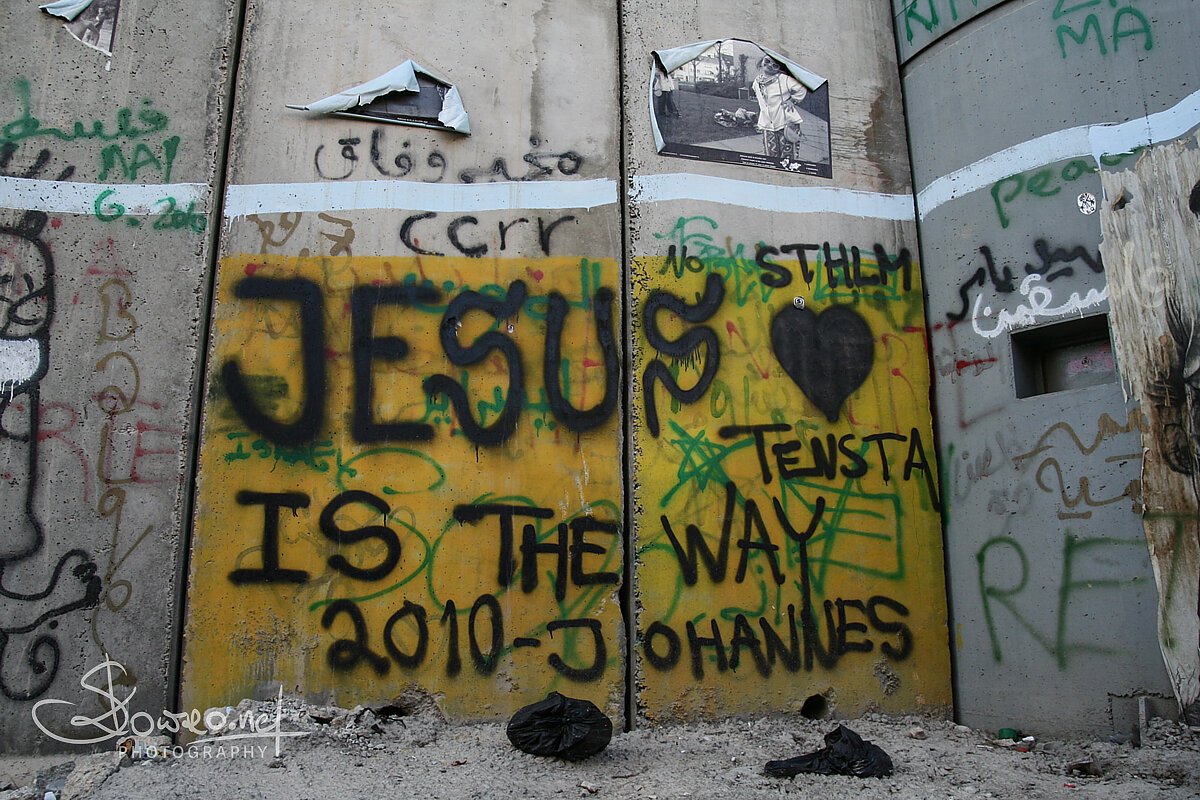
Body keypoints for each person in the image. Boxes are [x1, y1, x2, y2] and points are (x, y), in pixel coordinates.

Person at [752, 56, 807, 164]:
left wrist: (793, 100)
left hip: (786, 122)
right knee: (771, 156)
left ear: (779, 68)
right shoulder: (756, 82)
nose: (770, 65)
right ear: (761, 61)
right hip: (768, 124)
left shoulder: (784, 79)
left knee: (789, 158)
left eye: (775, 65)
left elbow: (802, 88)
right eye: (767, 61)